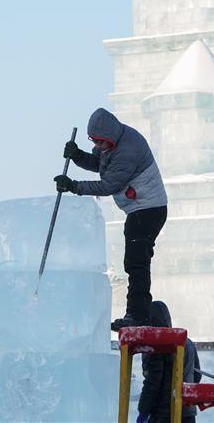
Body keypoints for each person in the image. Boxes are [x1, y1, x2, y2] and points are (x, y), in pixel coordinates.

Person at [54, 107, 168, 330]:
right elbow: (100, 165)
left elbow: (109, 185)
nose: (97, 147)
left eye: (100, 143)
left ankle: (138, 315)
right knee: (134, 262)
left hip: (148, 209)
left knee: (136, 262)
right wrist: (78, 157)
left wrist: (74, 186)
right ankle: (138, 313)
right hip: (139, 209)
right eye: (94, 142)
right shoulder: (112, 142)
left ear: (109, 137)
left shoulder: (129, 149)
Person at [137, 301, 201, 423]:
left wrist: (143, 412)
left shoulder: (155, 345)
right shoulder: (188, 343)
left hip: (164, 414)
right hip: (187, 413)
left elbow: (153, 381)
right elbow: (196, 375)